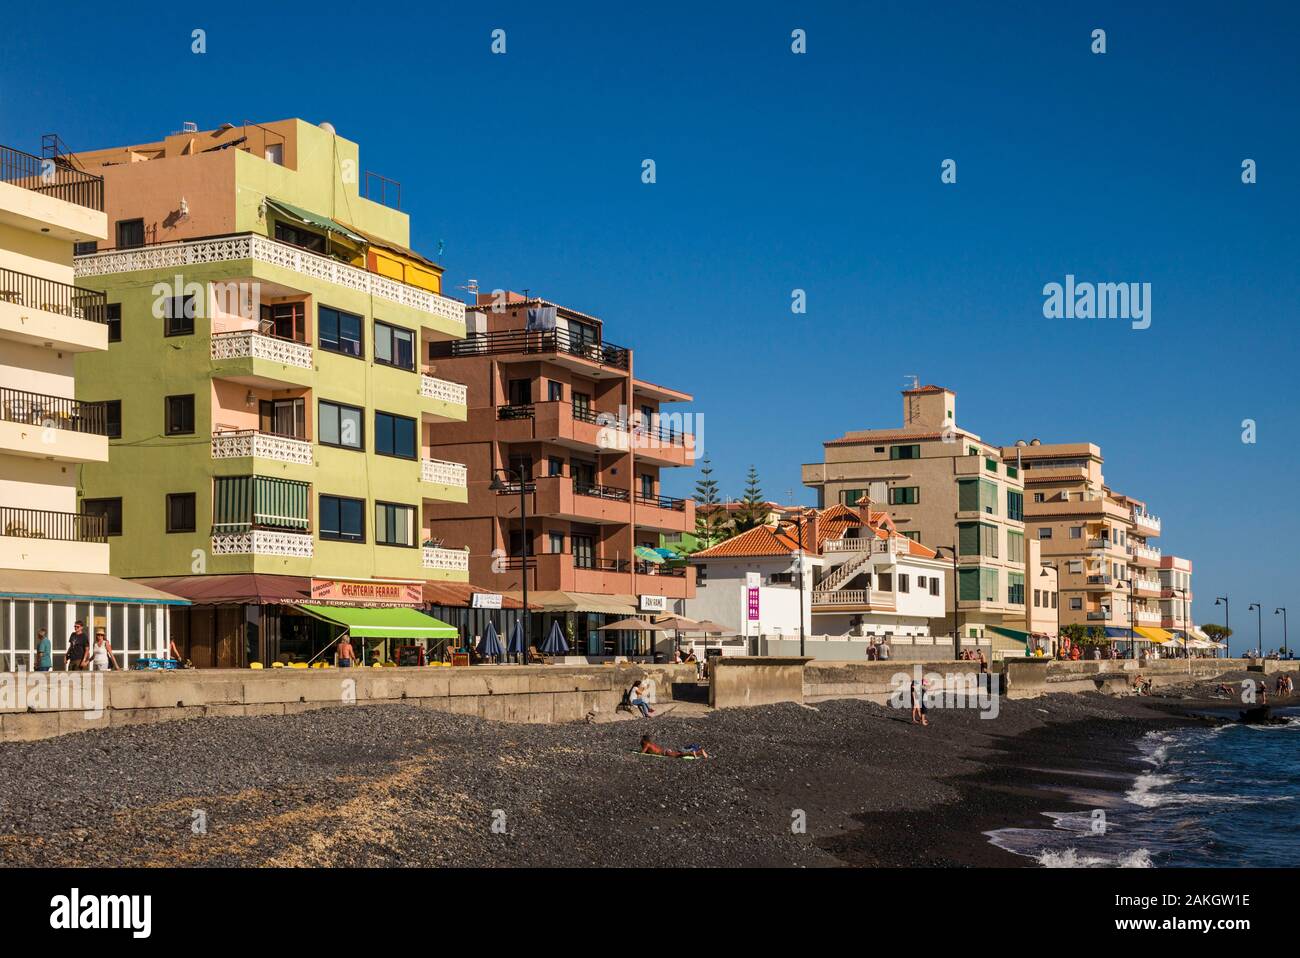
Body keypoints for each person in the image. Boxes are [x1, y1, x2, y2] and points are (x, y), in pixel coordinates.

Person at [640, 735, 707, 759]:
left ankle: (692, 753)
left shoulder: (647, 744)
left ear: (644, 740)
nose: (641, 741)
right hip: (665, 751)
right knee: (678, 754)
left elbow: (642, 752)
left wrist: (641, 750)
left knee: (679, 755)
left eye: (642, 740)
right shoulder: (650, 743)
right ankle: (699, 752)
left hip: (665, 753)